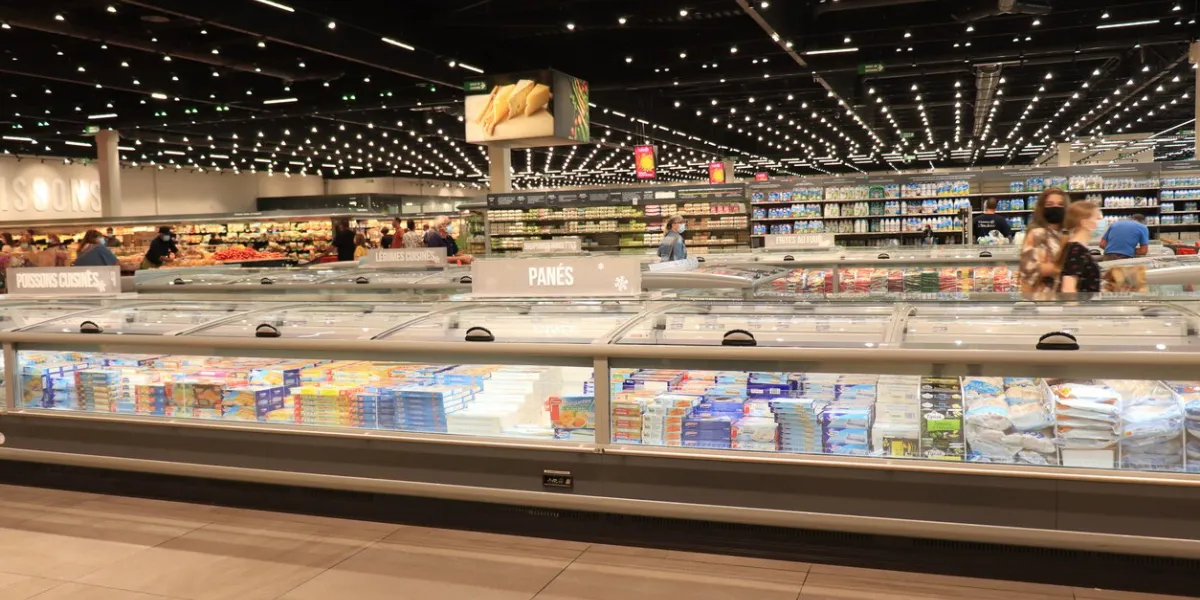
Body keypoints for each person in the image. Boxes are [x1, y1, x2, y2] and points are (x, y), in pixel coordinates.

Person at [1019, 188, 1069, 299]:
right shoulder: (1037, 235)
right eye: (1049, 204)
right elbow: (1030, 270)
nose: (1055, 208)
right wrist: (1060, 268)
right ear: (1042, 208)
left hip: (1066, 299)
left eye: (1060, 204)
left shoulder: (1067, 233)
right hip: (1043, 300)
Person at [1058, 202, 1104, 295]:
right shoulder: (1077, 250)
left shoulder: (1075, 247)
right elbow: (1068, 289)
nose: (1101, 221)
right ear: (1085, 223)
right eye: (1098, 218)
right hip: (1082, 307)